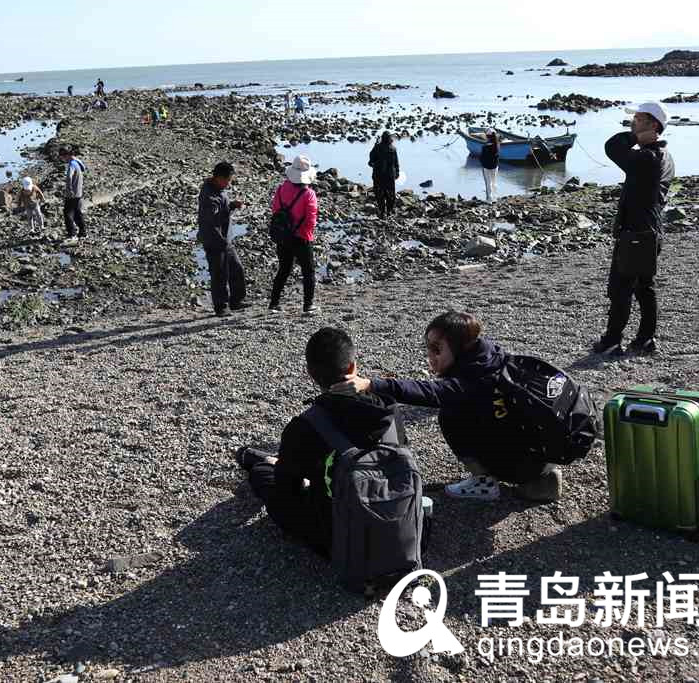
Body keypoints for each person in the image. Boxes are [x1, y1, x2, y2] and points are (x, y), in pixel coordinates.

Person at [332, 310, 562, 502]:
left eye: (437, 349)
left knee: (450, 415)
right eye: (428, 348)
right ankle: (539, 475)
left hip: (526, 461)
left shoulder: (470, 382)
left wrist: (371, 383)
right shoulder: (490, 355)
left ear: (461, 348)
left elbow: (429, 392)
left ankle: (487, 483)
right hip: (543, 450)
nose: (430, 356)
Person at [234, 327, 407, 557]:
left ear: (309, 373)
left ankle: (266, 461)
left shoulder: (306, 426)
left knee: (263, 473)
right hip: (399, 524)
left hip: (340, 538)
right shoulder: (389, 409)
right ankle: (273, 460)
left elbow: (288, 494)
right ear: (352, 367)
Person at [592, 101, 675, 356]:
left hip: (637, 233)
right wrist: (640, 134)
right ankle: (645, 339)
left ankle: (613, 341)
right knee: (643, 287)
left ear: (653, 125)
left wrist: (634, 137)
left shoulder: (648, 157)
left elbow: (612, 146)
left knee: (621, 288)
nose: (633, 122)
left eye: (639, 119)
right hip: (648, 231)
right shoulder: (663, 155)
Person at [269, 155, 319, 315]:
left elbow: (275, 210)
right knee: (308, 271)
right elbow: (311, 219)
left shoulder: (282, 188)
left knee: (283, 269)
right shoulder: (309, 194)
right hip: (302, 237)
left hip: (284, 236)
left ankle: (274, 304)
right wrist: (306, 235)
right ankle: (308, 305)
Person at [197, 161, 248, 317]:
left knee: (236, 268)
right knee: (219, 274)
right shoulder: (209, 196)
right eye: (228, 180)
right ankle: (221, 307)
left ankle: (236, 300)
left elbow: (222, 209)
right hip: (215, 241)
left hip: (225, 239)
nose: (229, 183)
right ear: (219, 177)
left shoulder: (219, 190)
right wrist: (221, 241)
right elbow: (209, 223)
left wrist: (232, 205)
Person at [369, 131, 400, 219]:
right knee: (391, 194)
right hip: (390, 175)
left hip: (378, 175)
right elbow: (396, 162)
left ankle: (382, 212)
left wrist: (375, 145)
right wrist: (397, 172)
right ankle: (389, 211)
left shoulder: (377, 147)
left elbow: (371, 159)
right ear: (390, 139)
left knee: (379, 194)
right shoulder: (393, 148)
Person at [59, 147, 87, 243]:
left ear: (66, 155)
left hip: (72, 194)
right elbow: (84, 168)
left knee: (67, 214)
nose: (62, 159)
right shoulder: (77, 163)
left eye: (62, 157)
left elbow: (69, 177)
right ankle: (83, 233)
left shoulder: (71, 164)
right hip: (78, 193)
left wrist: (69, 190)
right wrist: (75, 158)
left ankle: (72, 235)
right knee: (77, 213)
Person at [479, 130, 500, 201]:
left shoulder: (485, 147)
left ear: (487, 137)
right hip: (494, 166)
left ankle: (489, 199)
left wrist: (482, 164)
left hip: (486, 167)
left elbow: (482, 158)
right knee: (494, 182)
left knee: (488, 183)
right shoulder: (497, 145)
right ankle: (495, 197)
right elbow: (497, 157)